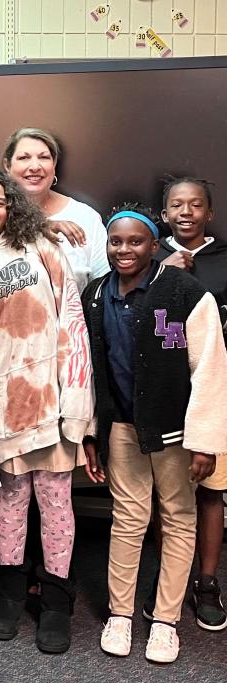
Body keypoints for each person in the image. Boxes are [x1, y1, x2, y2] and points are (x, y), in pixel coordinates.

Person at [0, 170, 94, 654]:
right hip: (2, 408)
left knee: (55, 502)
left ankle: (55, 600)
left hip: (51, 400)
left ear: (13, 208)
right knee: (9, 501)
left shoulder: (42, 249)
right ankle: (7, 590)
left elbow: (73, 320)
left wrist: (77, 399)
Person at [86, 204, 227, 664]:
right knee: (127, 519)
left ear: (154, 244)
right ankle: (121, 614)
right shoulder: (95, 295)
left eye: (135, 241)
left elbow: (210, 370)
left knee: (177, 518)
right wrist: (93, 434)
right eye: (116, 241)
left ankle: (165, 621)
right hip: (122, 427)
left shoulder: (187, 293)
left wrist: (205, 440)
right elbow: (90, 372)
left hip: (175, 431)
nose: (124, 249)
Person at [154, 177, 227, 632]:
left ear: (209, 214)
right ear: (163, 215)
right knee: (169, 492)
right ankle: (170, 581)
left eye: (195, 205)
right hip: (163, 393)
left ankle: (206, 580)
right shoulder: (149, 255)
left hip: (214, 390)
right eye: (176, 206)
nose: (186, 212)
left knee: (211, 488)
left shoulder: (223, 260)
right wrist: (168, 272)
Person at [2, 127, 109, 290]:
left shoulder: (85, 217)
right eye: (24, 157)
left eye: (44, 157)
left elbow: (104, 285)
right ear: (7, 165)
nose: (35, 166)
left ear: (54, 164)